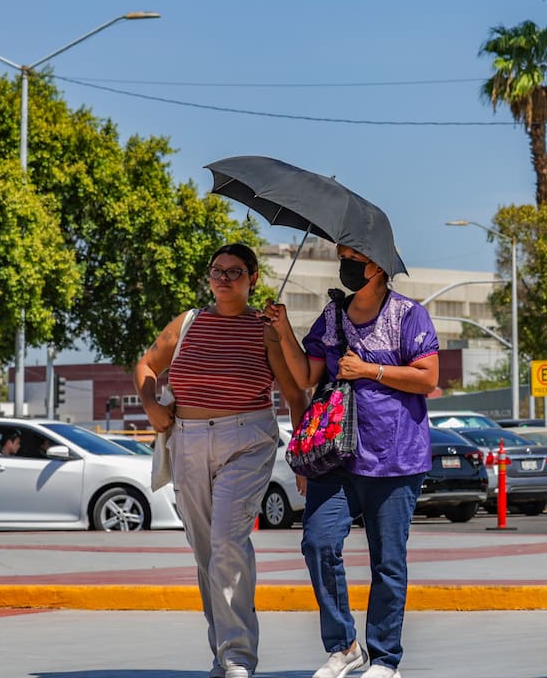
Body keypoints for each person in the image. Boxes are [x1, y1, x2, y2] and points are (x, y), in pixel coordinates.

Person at [263, 244, 439, 678]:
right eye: (342, 256)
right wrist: (283, 328)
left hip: (395, 458)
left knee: (387, 561)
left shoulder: (408, 314)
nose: (344, 265)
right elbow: (306, 376)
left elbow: (428, 377)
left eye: (351, 257)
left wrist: (369, 370)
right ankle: (344, 646)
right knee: (318, 542)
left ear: (376, 265)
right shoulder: (333, 315)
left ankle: (385, 659)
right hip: (335, 456)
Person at [133, 243, 304, 678]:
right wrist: (150, 402)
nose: (223, 279)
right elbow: (148, 366)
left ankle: (237, 659)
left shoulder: (265, 329)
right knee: (207, 552)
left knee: (227, 543)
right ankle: (224, 652)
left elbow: (294, 394)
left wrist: (303, 455)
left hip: (246, 441)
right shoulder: (188, 322)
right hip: (186, 441)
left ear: (253, 278)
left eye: (235, 272)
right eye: (217, 271)